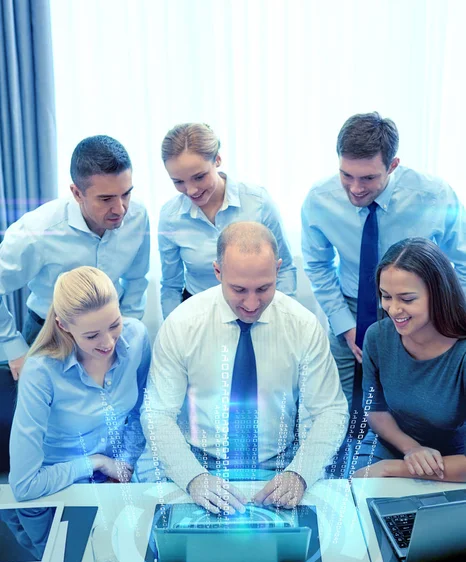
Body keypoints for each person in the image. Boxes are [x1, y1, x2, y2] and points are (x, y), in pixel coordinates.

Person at [142, 222, 348, 514]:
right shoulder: (181, 324)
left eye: (263, 288)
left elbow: (330, 411)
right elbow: (157, 414)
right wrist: (193, 477)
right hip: (199, 464)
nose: (252, 304)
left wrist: (300, 472)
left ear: (278, 270)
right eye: (238, 289)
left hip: (280, 466)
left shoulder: (303, 326)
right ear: (217, 272)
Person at [301, 112, 466, 410]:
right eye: (346, 175)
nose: (355, 188)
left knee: (408, 407)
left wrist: (444, 317)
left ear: (393, 165)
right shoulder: (319, 199)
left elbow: (463, 263)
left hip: (421, 311)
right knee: (338, 408)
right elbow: (317, 265)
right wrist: (345, 325)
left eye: (368, 178)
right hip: (351, 309)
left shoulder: (434, 196)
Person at [0, 135, 150, 380]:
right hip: (51, 336)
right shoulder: (36, 231)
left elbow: (136, 279)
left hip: (109, 334)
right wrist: (14, 349)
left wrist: (124, 332)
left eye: (126, 194)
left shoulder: (138, 216)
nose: (120, 209)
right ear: (77, 193)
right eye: (106, 199)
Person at [9, 266, 151, 501]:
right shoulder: (40, 371)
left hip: (116, 480)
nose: (108, 343)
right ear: (63, 326)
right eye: (92, 335)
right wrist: (95, 463)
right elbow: (24, 485)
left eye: (115, 324)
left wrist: (124, 462)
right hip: (58, 488)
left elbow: (141, 411)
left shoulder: (137, 337)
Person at [352, 238, 466, 482]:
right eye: (386, 296)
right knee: (358, 491)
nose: (393, 310)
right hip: (392, 441)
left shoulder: (462, 352)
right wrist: (411, 449)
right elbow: (375, 410)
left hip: (456, 457)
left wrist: (394, 468)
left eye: (407, 299)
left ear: (438, 295)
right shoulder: (377, 336)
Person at [158, 123, 297, 319]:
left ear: (217, 160)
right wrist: (172, 329)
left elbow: (285, 269)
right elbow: (171, 285)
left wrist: (282, 318)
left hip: (257, 308)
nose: (191, 190)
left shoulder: (258, 202)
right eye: (178, 182)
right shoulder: (170, 217)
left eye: (199, 177)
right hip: (199, 314)